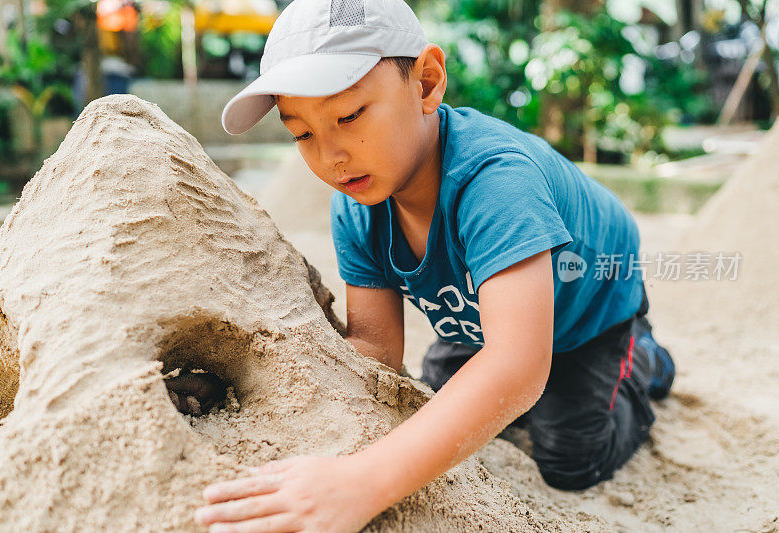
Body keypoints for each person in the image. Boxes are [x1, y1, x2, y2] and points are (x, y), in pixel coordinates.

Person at [168, 0, 676, 530]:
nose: (330, 156)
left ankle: (645, 357)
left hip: (589, 308)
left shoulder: (497, 182)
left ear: (427, 83)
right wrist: (253, 387)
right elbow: (377, 347)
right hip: (483, 309)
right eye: (302, 133)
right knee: (435, 394)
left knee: (571, 458)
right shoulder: (358, 199)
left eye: (348, 116)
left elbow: (519, 369)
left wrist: (361, 483)